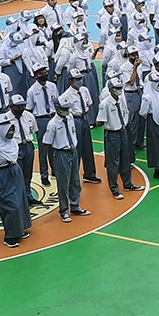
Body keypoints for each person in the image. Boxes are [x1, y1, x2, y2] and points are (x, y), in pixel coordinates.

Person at [0, 111, 30, 248]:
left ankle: (20, 229)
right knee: (9, 204)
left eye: (12, 129)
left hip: (15, 171)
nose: (10, 131)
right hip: (1, 174)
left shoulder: (12, 142)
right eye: (8, 129)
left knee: (20, 201)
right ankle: (10, 235)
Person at [44, 92, 88, 223]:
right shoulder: (52, 124)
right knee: (63, 183)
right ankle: (64, 210)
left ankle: (75, 205)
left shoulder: (70, 118)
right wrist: (50, 163)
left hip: (72, 151)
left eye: (68, 108)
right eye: (64, 109)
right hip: (61, 153)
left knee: (75, 180)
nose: (67, 111)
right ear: (57, 109)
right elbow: (47, 143)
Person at [97, 79, 139, 199]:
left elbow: (126, 113)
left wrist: (123, 124)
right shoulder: (105, 104)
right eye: (117, 88)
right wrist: (111, 123)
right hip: (112, 134)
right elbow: (99, 121)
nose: (120, 90)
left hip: (122, 131)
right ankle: (114, 188)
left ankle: (127, 183)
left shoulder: (121, 100)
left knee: (125, 158)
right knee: (113, 162)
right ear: (111, 89)